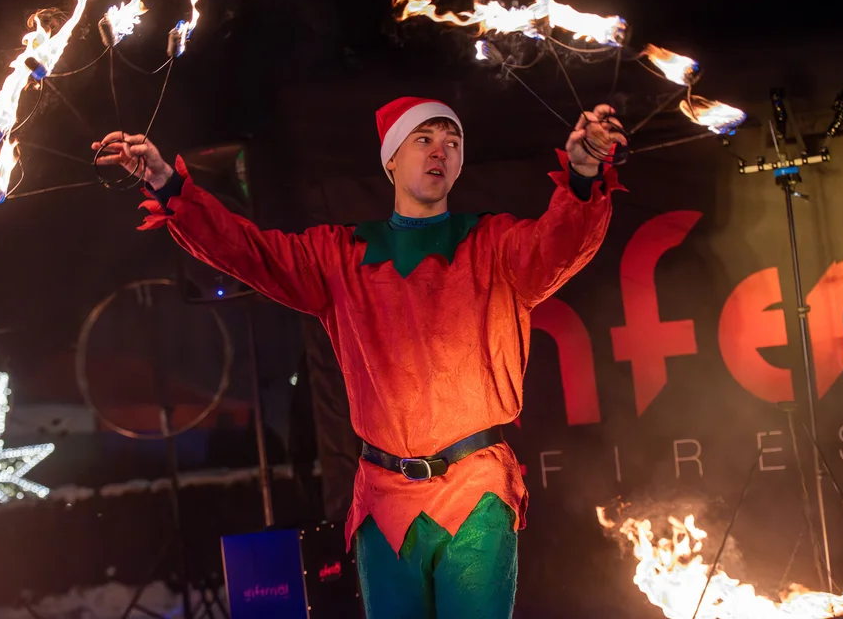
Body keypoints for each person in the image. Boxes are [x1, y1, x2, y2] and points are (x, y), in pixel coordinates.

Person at [93, 97, 626, 619]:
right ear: (391, 157)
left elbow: (561, 243)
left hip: (476, 492)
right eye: (424, 139)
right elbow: (246, 251)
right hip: (383, 497)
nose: (440, 150)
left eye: (453, 142)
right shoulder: (340, 256)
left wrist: (583, 175)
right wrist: (169, 185)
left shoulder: (495, 245)